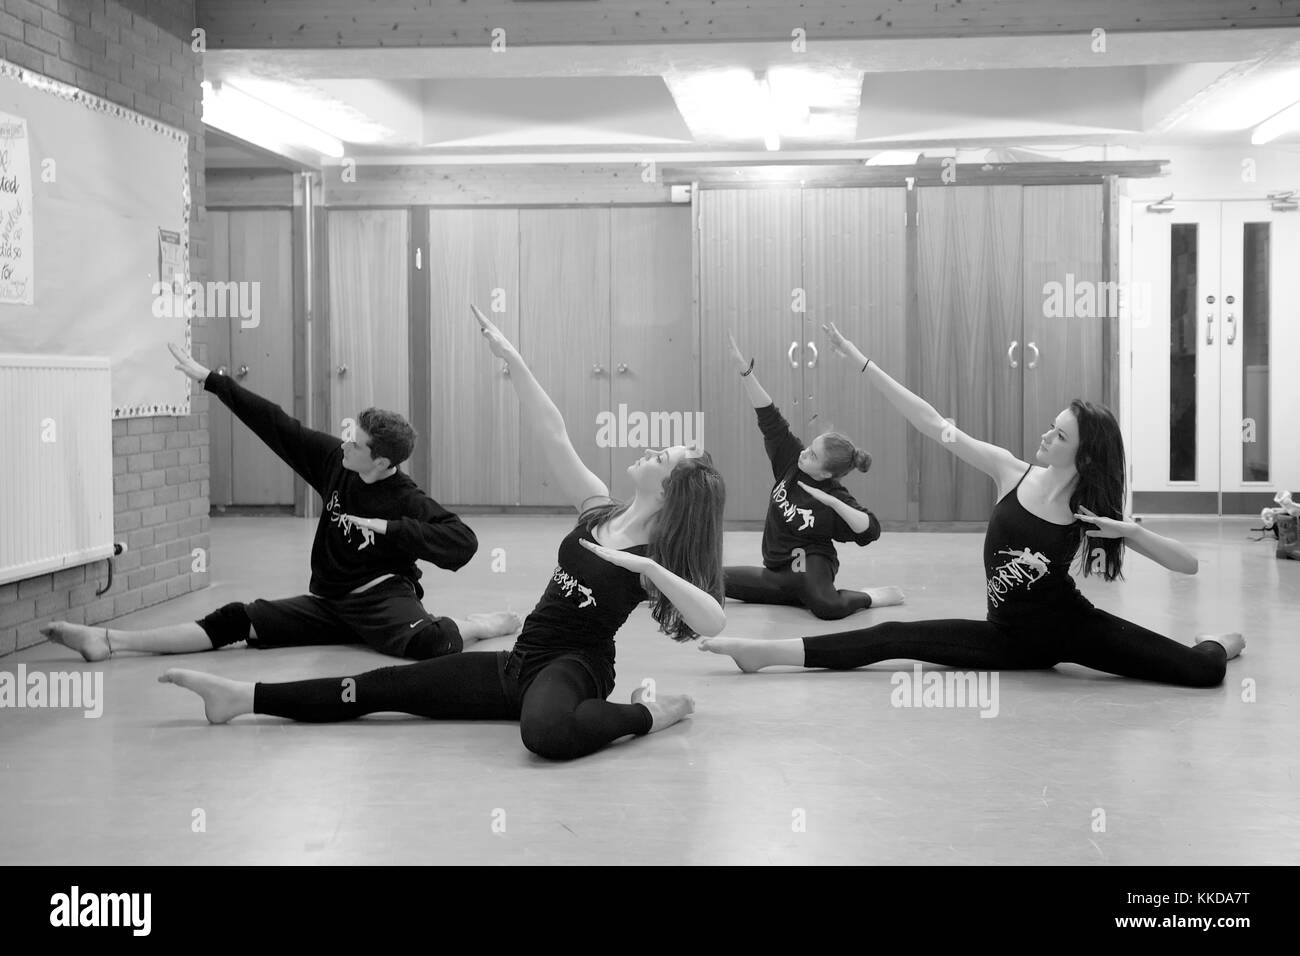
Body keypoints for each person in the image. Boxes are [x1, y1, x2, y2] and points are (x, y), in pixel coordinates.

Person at [157, 306, 728, 761]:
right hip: (519, 664)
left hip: (575, 669)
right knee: (381, 688)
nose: (652, 451)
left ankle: (651, 714)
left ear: (673, 491)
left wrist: (648, 570)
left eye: (664, 455)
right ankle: (242, 699)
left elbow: (713, 622)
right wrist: (515, 361)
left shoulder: (653, 555)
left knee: (545, 735)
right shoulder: (598, 511)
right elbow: (553, 434)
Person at [701, 322, 1243, 687]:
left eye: (1058, 435)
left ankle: (1221, 641)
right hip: (1004, 638)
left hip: (1073, 630)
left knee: (1201, 672)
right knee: (892, 638)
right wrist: (862, 362)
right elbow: (933, 423)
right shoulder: (1012, 471)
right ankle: (764, 653)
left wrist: (1128, 532)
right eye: (1051, 428)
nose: (1045, 437)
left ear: (1084, 454)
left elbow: (1187, 565)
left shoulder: (1088, 513)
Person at [43, 342, 519, 662]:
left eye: (356, 444)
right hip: (329, 603)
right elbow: (278, 425)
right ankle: (108, 641)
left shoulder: (405, 498)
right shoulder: (337, 461)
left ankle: (478, 624)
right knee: (238, 619)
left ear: (381, 463)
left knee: (432, 644)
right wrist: (213, 380)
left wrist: (392, 531)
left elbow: (463, 542)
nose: (345, 443)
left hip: (380, 600)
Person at [722, 331, 903, 620]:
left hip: (812, 566)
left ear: (827, 472)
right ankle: (791, 595)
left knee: (827, 607)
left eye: (813, 456)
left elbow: (871, 530)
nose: (804, 453)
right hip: (776, 570)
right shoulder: (791, 459)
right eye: (810, 447)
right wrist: (745, 372)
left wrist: (832, 503)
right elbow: (769, 416)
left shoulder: (834, 496)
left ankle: (870, 596)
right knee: (712, 578)